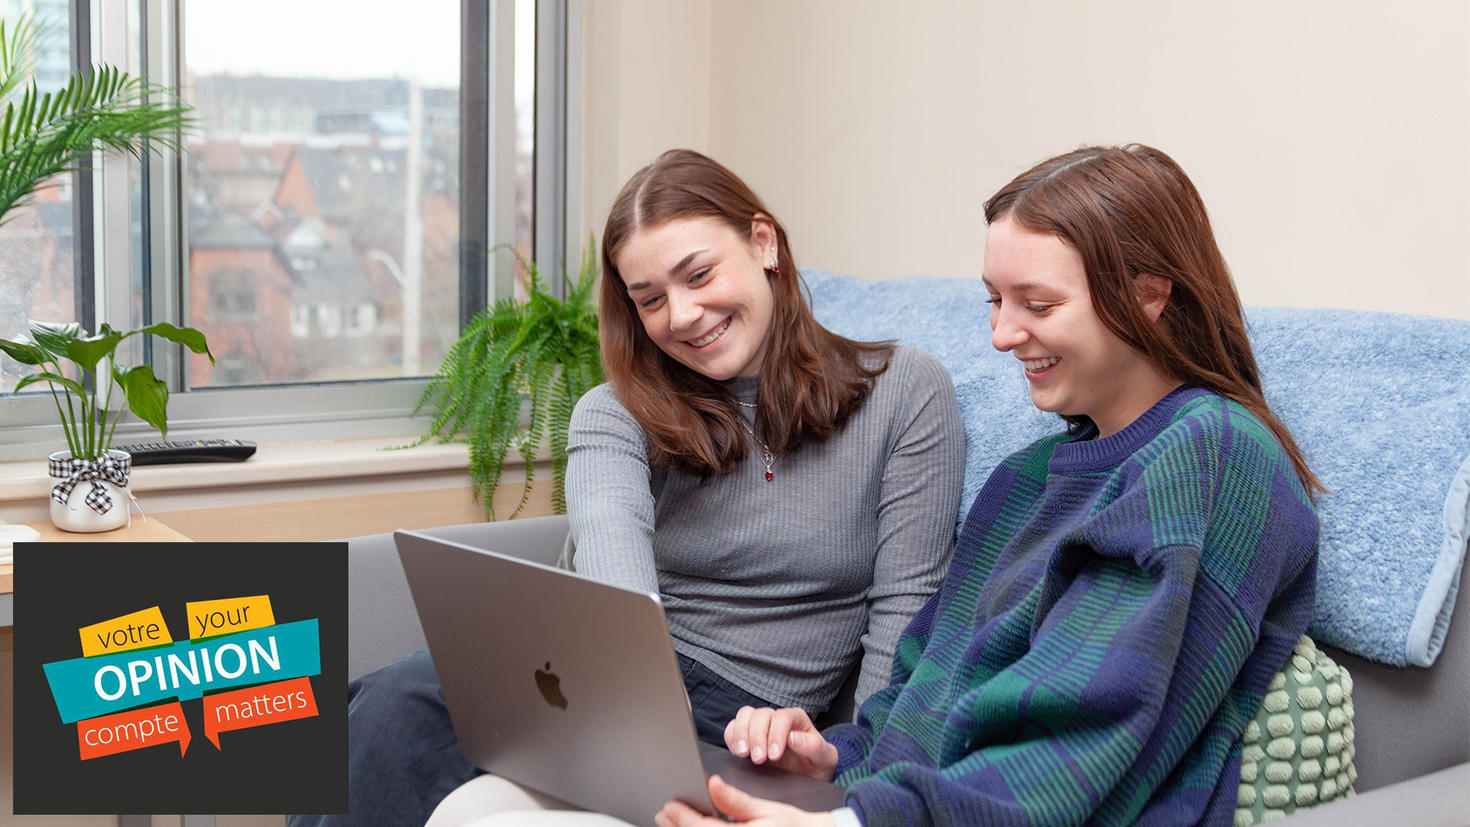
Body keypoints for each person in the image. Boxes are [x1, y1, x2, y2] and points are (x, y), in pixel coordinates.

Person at [654, 144, 1323, 827]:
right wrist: (830, 758)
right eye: (995, 301)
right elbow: (922, 691)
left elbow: (1082, 736)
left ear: (1150, 294)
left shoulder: (1214, 453)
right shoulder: (1023, 482)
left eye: (1037, 303)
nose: (1003, 335)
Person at [291, 149, 965, 826]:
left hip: (745, 730)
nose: (683, 315)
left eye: (698, 274)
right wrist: (619, 708)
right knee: (383, 705)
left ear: (764, 242)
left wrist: (856, 771)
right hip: (615, 694)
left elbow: (908, 621)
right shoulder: (614, 413)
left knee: (387, 708)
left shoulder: (905, 393)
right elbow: (617, 596)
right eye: (650, 299)